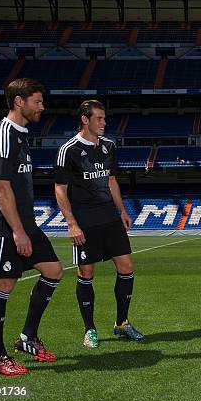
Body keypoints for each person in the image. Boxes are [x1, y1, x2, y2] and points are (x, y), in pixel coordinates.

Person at [0, 78, 63, 375]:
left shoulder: (21, 134)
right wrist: (17, 231)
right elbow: (1, 188)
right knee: (2, 285)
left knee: (53, 271)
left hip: (26, 223)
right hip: (4, 226)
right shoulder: (2, 133)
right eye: (37, 102)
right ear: (19, 101)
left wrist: (26, 228)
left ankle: (28, 337)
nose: (42, 107)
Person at [54, 100, 143, 349]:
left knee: (126, 266)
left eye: (104, 119)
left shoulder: (109, 146)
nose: (104, 123)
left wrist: (122, 210)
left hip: (110, 218)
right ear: (85, 119)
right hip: (85, 220)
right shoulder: (68, 150)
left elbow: (111, 180)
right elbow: (60, 189)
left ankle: (122, 323)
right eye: (99, 119)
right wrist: (72, 223)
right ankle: (89, 329)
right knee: (86, 273)